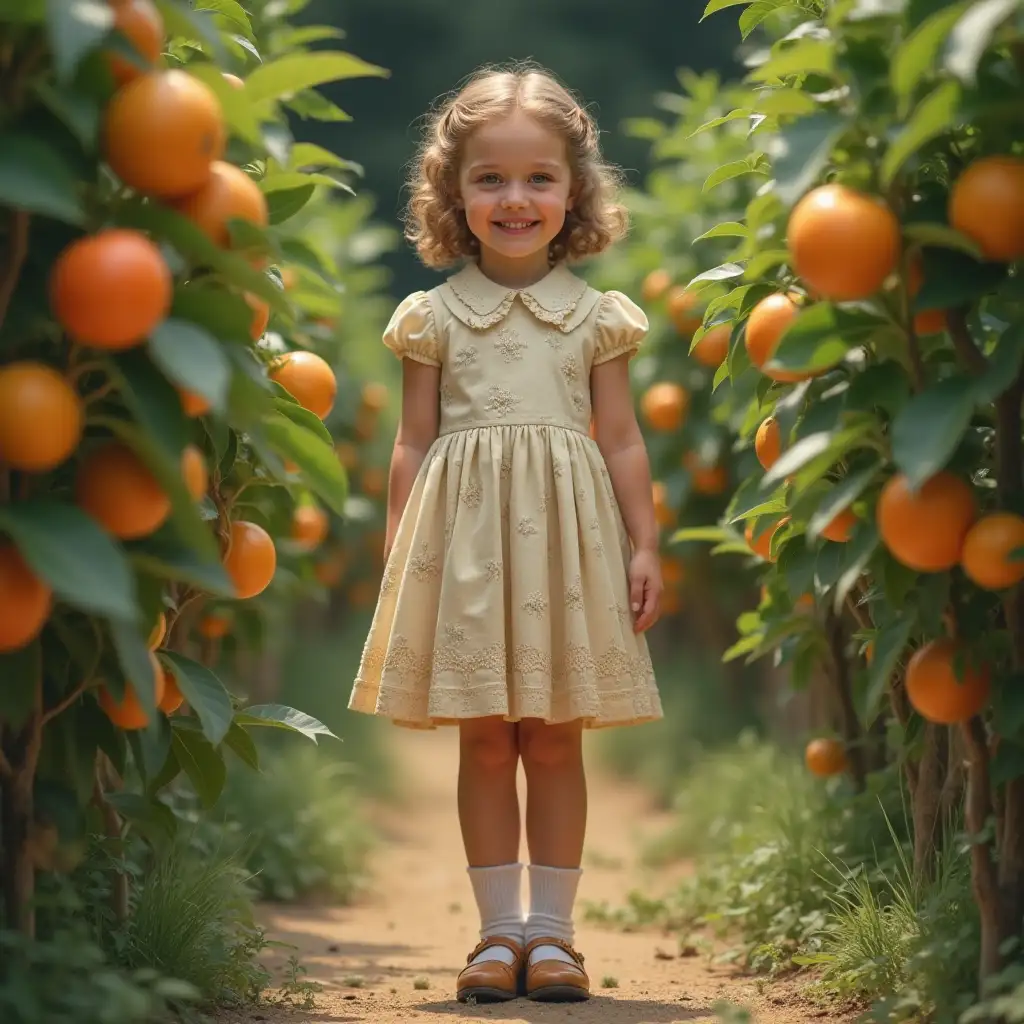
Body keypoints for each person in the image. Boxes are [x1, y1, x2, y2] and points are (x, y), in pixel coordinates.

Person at [348, 61, 664, 1004]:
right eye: (490, 178)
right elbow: (412, 442)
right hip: (469, 553)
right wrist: (407, 551)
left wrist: (645, 544)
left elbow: (621, 438)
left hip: (566, 551)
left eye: (539, 178)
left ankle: (555, 938)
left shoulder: (596, 319)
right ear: (455, 191)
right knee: (485, 739)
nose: (515, 198)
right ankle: (496, 936)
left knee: (556, 736)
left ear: (575, 193)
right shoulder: (432, 318)